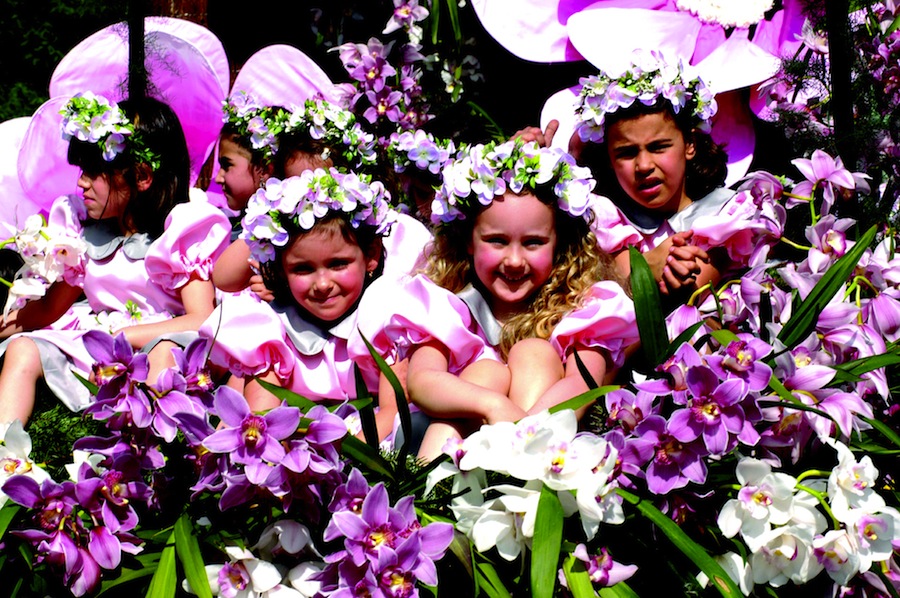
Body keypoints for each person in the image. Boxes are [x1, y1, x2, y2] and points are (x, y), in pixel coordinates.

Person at [355, 139, 639, 459]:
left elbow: (582, 383)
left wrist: (523, 431)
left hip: (541, 435)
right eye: (497, 241)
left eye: (533, 243)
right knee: (486, 373)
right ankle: (435, 489)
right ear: (468, 241)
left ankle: (521, 470)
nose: (514, 260)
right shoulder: (444, 304)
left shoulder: (582, 309)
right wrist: (494, 406)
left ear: (558, 244)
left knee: (534, 351)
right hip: (441, 435)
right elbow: (422, 382)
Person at [0, 93, 230, 426]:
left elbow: (199, 318)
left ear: (141, 177)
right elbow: (51, 309)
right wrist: (5, 325)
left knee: (162, 354)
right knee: (24, 347)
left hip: (153, 342)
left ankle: (138, 450)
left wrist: (129, 332)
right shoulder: (85, 234)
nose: (81, 183)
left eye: (94, 172)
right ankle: (7, 451)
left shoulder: (177, 235)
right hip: (97, 341)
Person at [523, 52, 780, 305]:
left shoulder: (722, 216)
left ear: (689, 144)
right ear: (609, 159)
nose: (643, 165)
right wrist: (529, 172)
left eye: (658, 147)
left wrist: (651, 273)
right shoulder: (602, 220)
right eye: (626, 152)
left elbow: (692, 293)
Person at [198, 167, 400, 441]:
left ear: (371, 254)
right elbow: (262, 417)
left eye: (338, 264)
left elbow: (392, 413)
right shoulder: (269, 330)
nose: (323, 283)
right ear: (280, 270)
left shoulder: (389, 320)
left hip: (372, 453)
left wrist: (343, 465)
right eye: (303, 269)